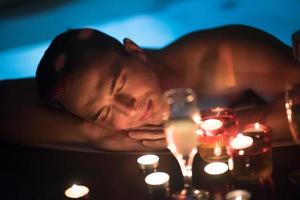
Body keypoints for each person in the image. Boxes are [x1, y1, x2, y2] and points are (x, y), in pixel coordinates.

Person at [1, 25, 300, 152]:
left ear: (135, 51)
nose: (128, 107)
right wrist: (90, 133)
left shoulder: (224, 55)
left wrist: (202, 130)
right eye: (104, 112)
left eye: (119, 85)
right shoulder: (89, 107)